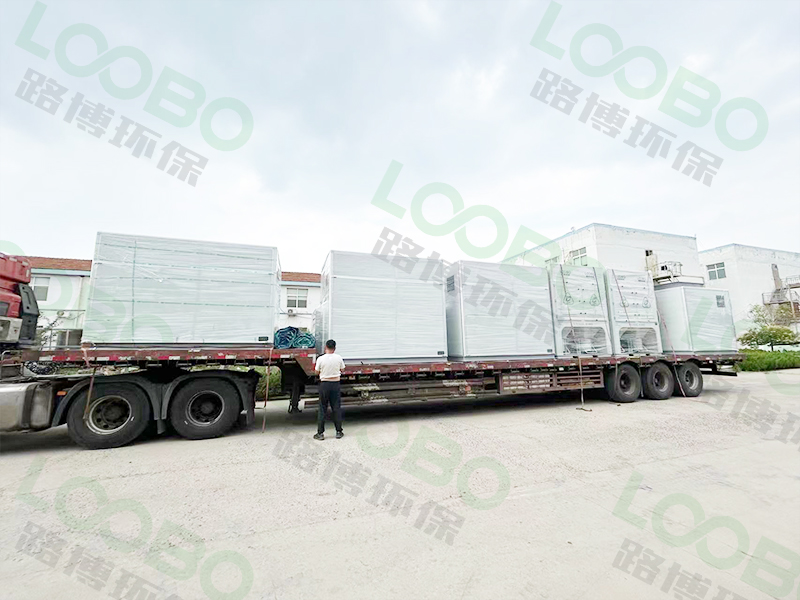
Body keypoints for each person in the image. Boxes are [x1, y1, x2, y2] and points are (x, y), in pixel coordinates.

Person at [314, 339, 345, 440]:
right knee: (336, 407)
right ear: (334, 348)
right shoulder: (339, 358)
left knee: (322, 408)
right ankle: (339, 431)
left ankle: (320, 433)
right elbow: (342, 369)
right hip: (335, 384)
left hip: (324, 384)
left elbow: (316, 372)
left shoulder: (320, 359)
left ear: (325, 347)